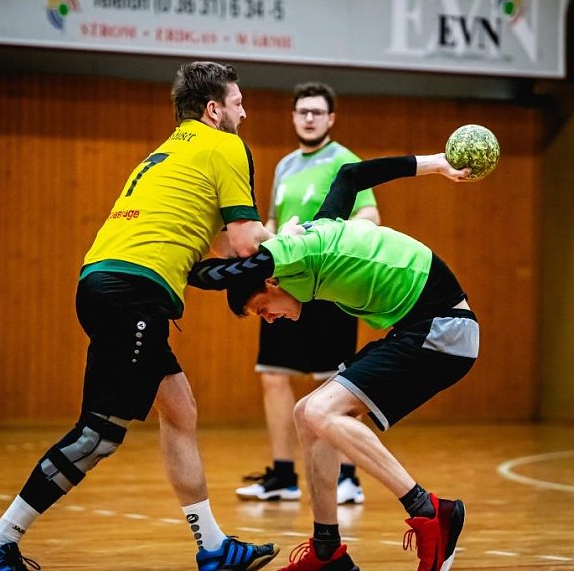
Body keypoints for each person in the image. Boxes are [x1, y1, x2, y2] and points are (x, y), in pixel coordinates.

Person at [0, 61, 279, 571]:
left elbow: (214, 242)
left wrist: (260, 240)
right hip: (132, 293)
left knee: (180, 411)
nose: (246, 110)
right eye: (239, 102)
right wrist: (298, 242)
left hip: (106, 283)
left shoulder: (168, 151)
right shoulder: (225, 145)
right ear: (214, 109)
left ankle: (214, 548)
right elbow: (243, 242)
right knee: (98, 436)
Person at [189, 153, 477, 570]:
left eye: (261, 308)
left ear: (270, 282)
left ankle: (432, 512)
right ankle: (327, 551)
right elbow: (351, 175)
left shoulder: (290, 252)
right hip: (418, 327)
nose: (269, 318)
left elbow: (218, 276)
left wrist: (169, 262)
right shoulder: (317, 230)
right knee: (307, 413)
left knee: (321, 410)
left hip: (443, 330)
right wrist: (437, 164)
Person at [236, 82, 379, 505]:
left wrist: (325, 242)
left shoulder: (347, 162)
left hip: (329, 288)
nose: (310, 118)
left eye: (317, 111)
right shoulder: (284, 166)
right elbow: (276, 222)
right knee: (275, 376)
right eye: (303, 111)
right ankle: (283, 476)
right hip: (286, 287)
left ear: (331, 118)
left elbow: (369, 216)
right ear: (294, 116)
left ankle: (346, 477)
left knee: (332, 381)